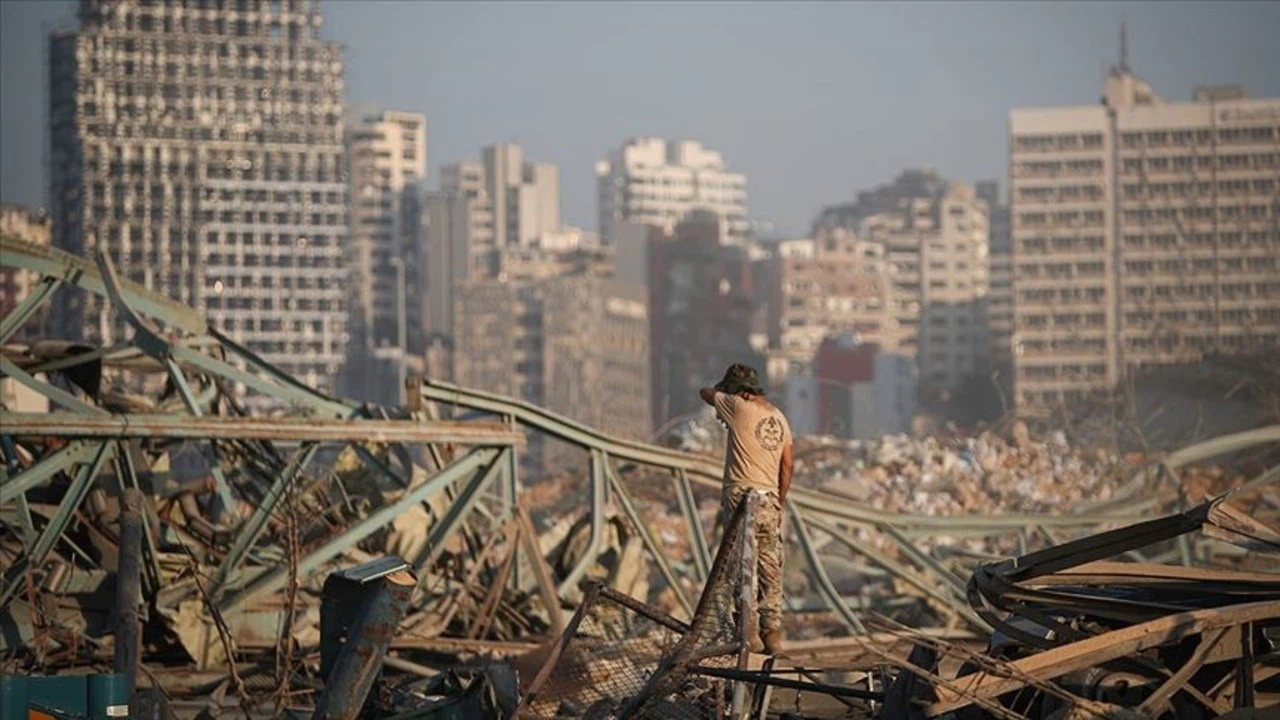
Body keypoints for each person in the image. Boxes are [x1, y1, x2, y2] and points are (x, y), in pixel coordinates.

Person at [699, 362, 793, 655]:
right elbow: (788, 464)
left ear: (743, 392)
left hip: (742, 496)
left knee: (744, 564)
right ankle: (773, 634)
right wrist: (779, 499)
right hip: (769, 500)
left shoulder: (738, 406)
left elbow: (705, 393)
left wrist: (725, 393)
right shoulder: (780, 418)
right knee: (769, 568)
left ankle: (748, 632)